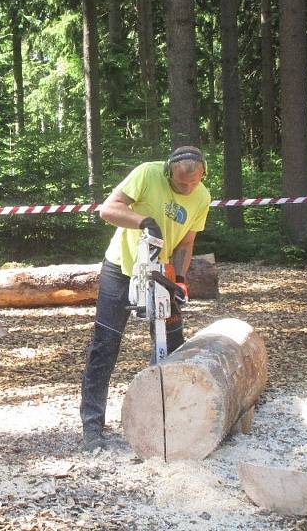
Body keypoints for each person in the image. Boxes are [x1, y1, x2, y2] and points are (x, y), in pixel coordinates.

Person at [79, 146, 211, 451]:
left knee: (172, 345)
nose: (187, 188)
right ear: (169, 172)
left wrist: (178, 279)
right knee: (105, 344)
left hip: (161, 271)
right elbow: (107, 209)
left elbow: (187, 243)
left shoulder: (202, 196)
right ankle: (92, 427)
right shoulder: (147, 173)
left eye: (193, 183)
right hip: (122, 267)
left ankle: (164, 419)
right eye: (180, 184)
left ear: (202, 176)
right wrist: (142, 221)